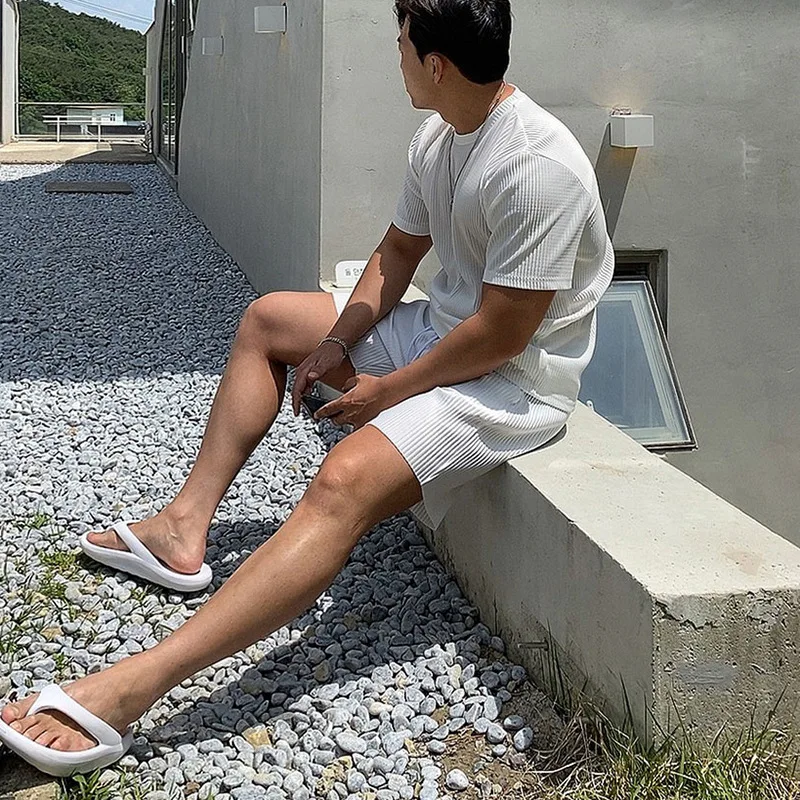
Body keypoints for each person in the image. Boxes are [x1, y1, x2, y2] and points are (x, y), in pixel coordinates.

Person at [0, 0, 614, 775]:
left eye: (401, 45)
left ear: (436, 65)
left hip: (513, 381)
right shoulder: (442, 135)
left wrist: (389, 392)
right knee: (269, 320)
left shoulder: (536, 167)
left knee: (342, 480)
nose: (395, 57)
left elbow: (502, 335)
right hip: (445, 330)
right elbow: (397, 253)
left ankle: (129, 689)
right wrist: (335, 342)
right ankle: (183, 530)